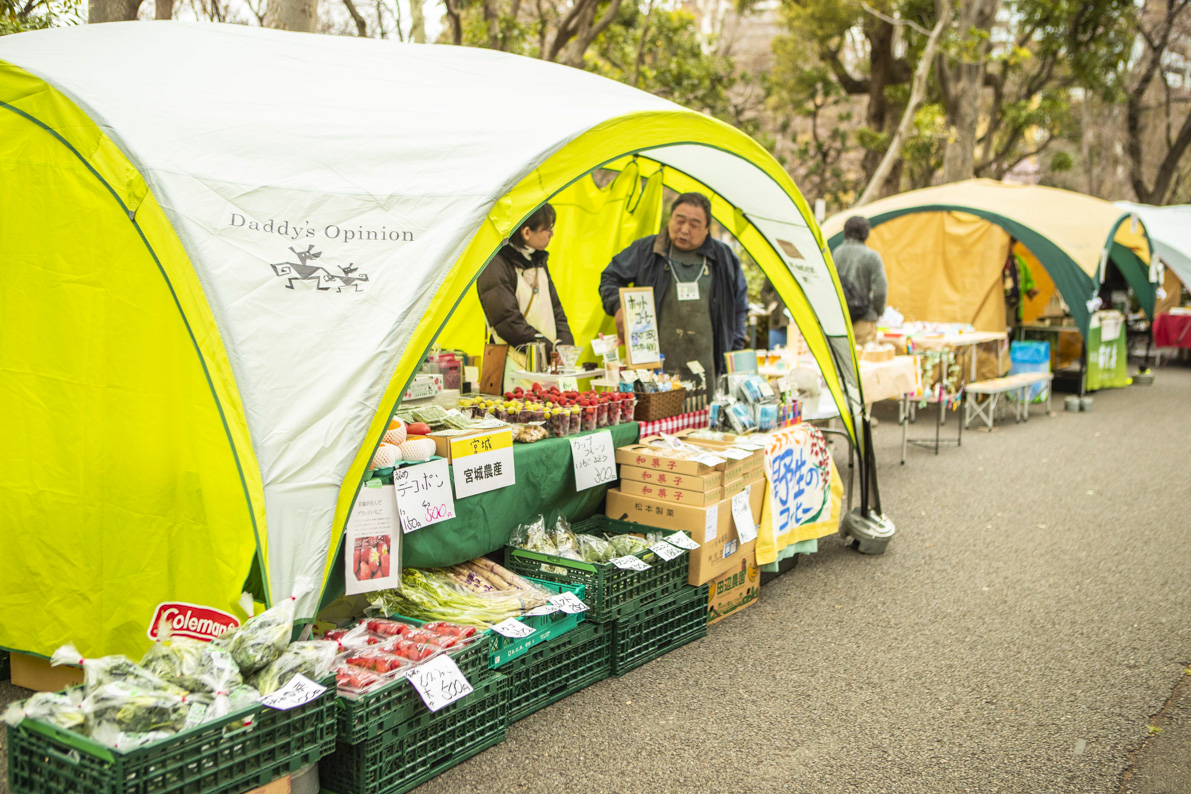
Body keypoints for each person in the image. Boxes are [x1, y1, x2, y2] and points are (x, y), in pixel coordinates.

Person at [599, 192, 748, 395]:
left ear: (706, 230)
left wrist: (734, 347)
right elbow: (610, 278)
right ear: (671, 219)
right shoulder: (647, 250)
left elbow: (739, 306)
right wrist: (618, 306)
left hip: (707, 366)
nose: (684, 230)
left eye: (694, 225)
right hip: (654, 368)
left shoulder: (724, 258)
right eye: (679, 220)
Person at [477, 203, 574, 382]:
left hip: (547, 365)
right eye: (547, 229)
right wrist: (551, 351)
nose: (551, 234)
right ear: (526, 232)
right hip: (514, 370)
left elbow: (556, 311)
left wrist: (565, 347)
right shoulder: (494, 265)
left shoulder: (538, 260)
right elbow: (507, 322)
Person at [832, 215, 887, 346]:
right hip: (864, 321)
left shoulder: (835, 254)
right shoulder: (872, 257)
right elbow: (880, 290)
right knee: (865, 363)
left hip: (840, 321)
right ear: (866, 234)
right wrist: (878, 311)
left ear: (845, 232)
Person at [760, 280, 789, 349]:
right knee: (775, 354)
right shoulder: (775, 271)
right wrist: (771, 303)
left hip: (796, 324)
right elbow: (764, 291)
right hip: (777, 321)